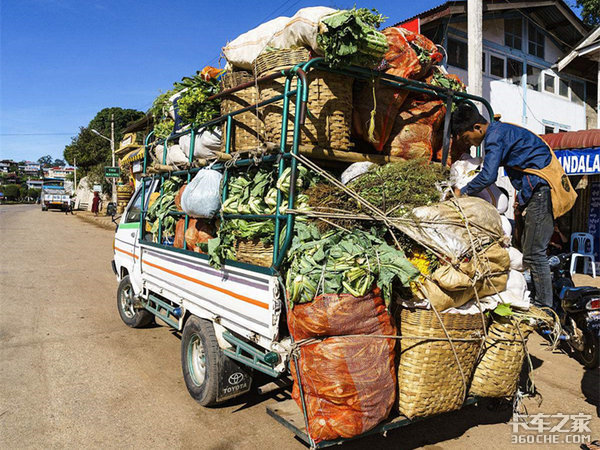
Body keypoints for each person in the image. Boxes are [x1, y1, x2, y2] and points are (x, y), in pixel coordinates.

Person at [451, 103, 556, 308]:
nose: (469, 144)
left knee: (534, 253)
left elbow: (489, 175)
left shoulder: (494, 137)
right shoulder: (500, 131)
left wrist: (462, 192)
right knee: (529, 250)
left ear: (477, 128)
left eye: (466, 138)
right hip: (533, 192)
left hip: (540, 191)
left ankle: (545, 309)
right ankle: (541, 301)